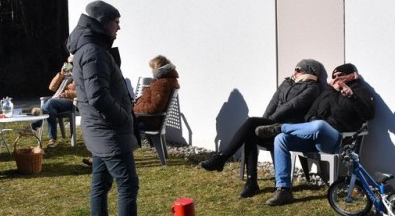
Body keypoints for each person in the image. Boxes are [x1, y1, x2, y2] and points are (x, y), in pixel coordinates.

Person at [66, 0, 167, 216]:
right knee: (128, 185)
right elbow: (98, 97)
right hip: (109, 132)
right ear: (102, 22)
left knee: (101, 184)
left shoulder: (91, 47)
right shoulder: (93, 51)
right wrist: (125, 117)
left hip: (101, 132)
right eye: (116, 21)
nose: (119, 27)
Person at [256, 63, 375, 206]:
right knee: (281, 139)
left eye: (341, 75)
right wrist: (312, 121)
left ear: (351, 76)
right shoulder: (327, 93)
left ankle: (281, 127)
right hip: (314, 138)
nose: (337, 78)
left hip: (337, 140)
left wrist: (352, 96)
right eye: (334, 76)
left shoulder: (360, 92)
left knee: (320, 126)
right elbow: (309, 115)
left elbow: (369, 114)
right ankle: (283, 190)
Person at [200, 59, 322, 198]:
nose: (295, 71)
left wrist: (269, 123)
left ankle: (222, 158)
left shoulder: (312, 88)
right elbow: (273, 103)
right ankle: (251, 182)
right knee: (251, 132)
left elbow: (292, 106)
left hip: (288, 127)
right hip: (273, 125)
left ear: (309, 71)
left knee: (252, 122)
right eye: (295, 68)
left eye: (298, 69)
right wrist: (263, 124)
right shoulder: (286, 83)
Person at [32, 55, 77, 147]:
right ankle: (53, 139)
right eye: (68, 63)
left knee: (50, 102)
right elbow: (52, 87)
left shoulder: (80, 75)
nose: (69, 65)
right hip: (56, 102)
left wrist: (66, 94)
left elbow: (82, 92)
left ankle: (35, 123)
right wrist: (61, 74)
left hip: (71, 102)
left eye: (71, 64)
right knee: (50, 110)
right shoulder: (66, 76)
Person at [133, 54, 180, 133]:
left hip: (149, 121)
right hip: (150, 119)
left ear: (158, 68)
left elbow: (154, 108)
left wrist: (134, 109)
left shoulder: (162, 83)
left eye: (153, 68)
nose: (151, 71)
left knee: (118, 123)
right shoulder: (170, 80)